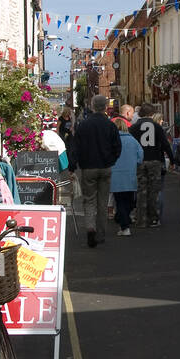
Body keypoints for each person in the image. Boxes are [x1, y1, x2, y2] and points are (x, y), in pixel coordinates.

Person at [67, 95, 121, 248]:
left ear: (92, 106)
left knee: (89, 200)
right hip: (105, 167)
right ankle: (101, 233)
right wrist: (112, 160)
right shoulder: (110, 125)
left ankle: (90, 228)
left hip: (88, 168)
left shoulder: (83, 125)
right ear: (105, 107)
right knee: (102, 202)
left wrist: (72, 167)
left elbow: (75, 148)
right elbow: (117, 146)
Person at [129, 103, 173, 228]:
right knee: (154, 190)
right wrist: (173, 160)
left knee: (141, 190)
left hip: (140, 161)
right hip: (154, 161)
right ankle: (153, 219)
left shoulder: (133, 127)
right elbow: (165, 144)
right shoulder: (157, 127)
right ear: (151, 114)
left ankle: (141, 219)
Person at [108, 127, 143, 236]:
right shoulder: (132, 140)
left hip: (116, 174)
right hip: (130, 174)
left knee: (119, 201)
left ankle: (124, 225)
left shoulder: (111, 140)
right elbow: (140, 155)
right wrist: (135, 163)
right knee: (129, 201)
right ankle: (123, 221)